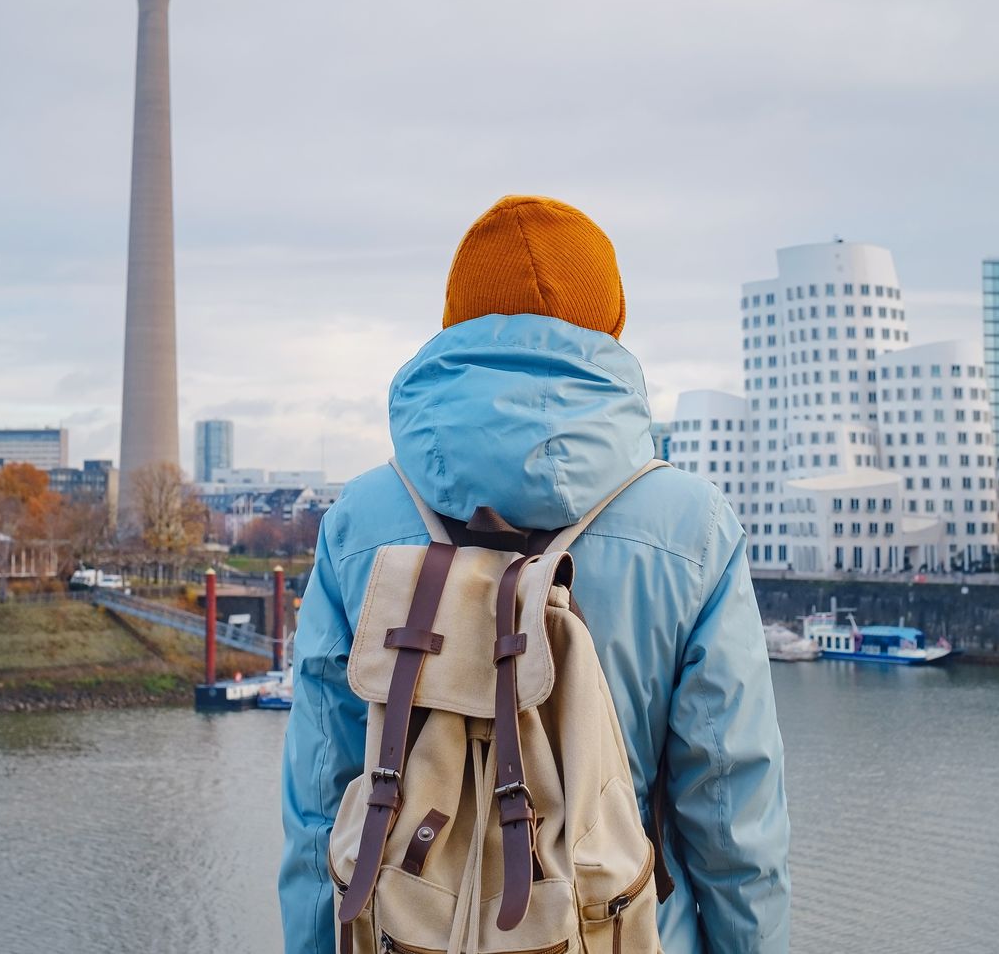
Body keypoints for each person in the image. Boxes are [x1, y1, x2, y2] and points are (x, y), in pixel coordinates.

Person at [279, 195, 790, 953]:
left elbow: (321, 804)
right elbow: (733, 819)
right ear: (610, 326)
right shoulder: (692, 527)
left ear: (454, 323)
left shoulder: (360, 520)